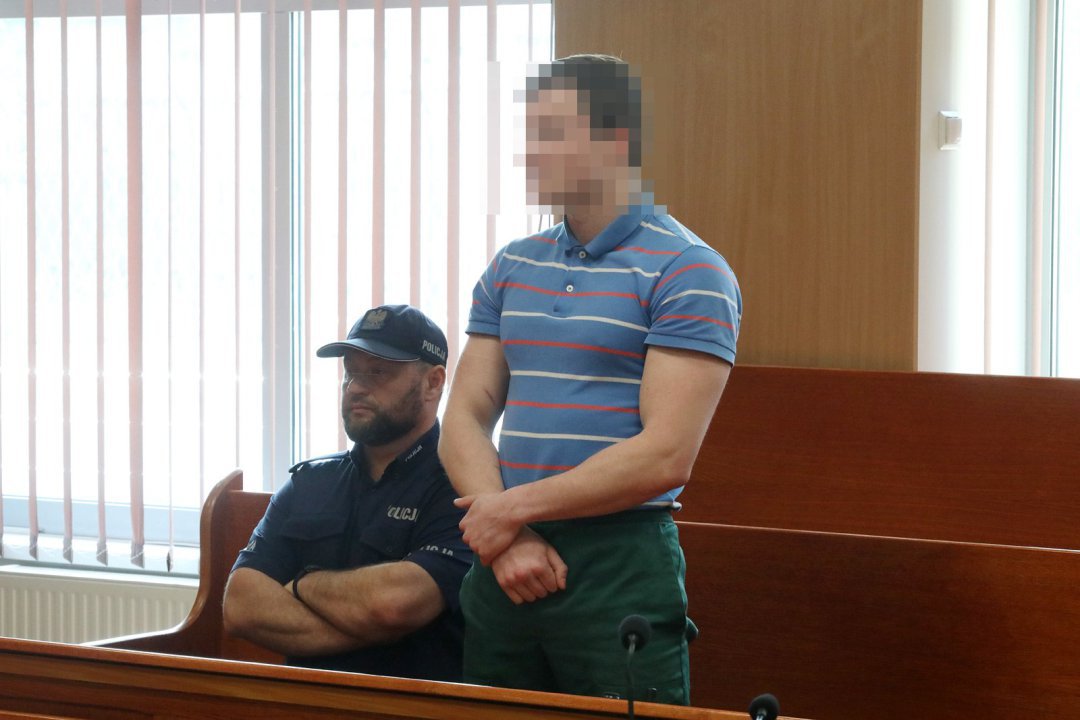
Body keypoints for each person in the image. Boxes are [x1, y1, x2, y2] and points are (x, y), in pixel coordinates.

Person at [438, 54, 742, 704]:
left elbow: (666, 454)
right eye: (530, 132)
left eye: (551, 132)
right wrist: (507, 536)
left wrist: (509, 511)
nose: (530, 152)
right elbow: (463, 416)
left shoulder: (688, 268)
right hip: (504, 553)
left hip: (618, 556)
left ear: (616, 140)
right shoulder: (512, 264)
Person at [223, 304, 472, 682]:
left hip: (410, 705)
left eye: (377, 372)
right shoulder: (310, 482)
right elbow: (241, 605)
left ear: (433, 383)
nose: (355, 386)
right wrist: (370, 628)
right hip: (305, 703)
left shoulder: (462, 486)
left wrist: (303, 583)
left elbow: (393, 605)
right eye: (350, 372)